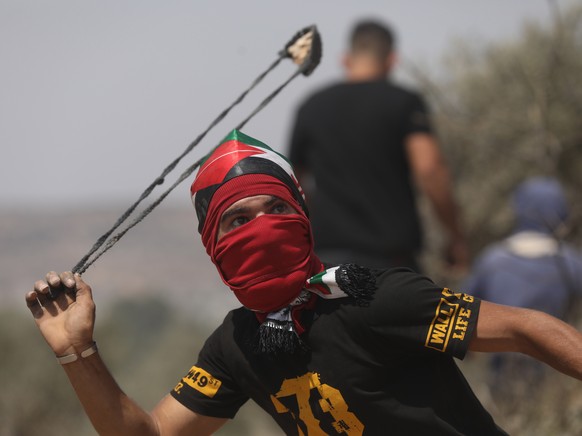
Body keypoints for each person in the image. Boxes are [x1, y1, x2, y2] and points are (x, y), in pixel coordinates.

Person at [25, 130, 582, 435]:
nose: (260, 229)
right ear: (212, 244)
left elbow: (527, 329)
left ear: (302, 216)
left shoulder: (373, 296)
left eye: (274, 209)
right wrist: (78, 352)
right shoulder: (236, 344)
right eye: (238, 220)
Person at [288, 19, 467, 272]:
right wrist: (455, 236)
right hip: (391, 266)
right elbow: (430, 170)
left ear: (346, 59)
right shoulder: (404, 102)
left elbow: (293, 183)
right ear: (392, 60)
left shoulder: (311, 106)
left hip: (327, 263)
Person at [464, 177, 582, 395]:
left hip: (501, 382)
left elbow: (464, 320)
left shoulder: (492, 260)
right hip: (557, 382)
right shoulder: (572, 263)